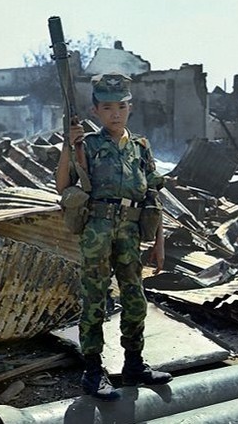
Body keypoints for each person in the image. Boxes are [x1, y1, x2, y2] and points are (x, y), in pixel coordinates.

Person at [55, 71, 172, 401]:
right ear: (96, 111)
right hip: (97, 230)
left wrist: (159, 244)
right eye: (107, 107)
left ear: (130, 107)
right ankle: (93, 372)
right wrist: (69, 145)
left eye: (121, 106)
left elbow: (153, 196)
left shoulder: (140, 148)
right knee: (94, 300)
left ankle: (134, 365)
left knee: (135, 299)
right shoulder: (88, 145)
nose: (115, 113)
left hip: (131, 232)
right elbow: (63, 186)